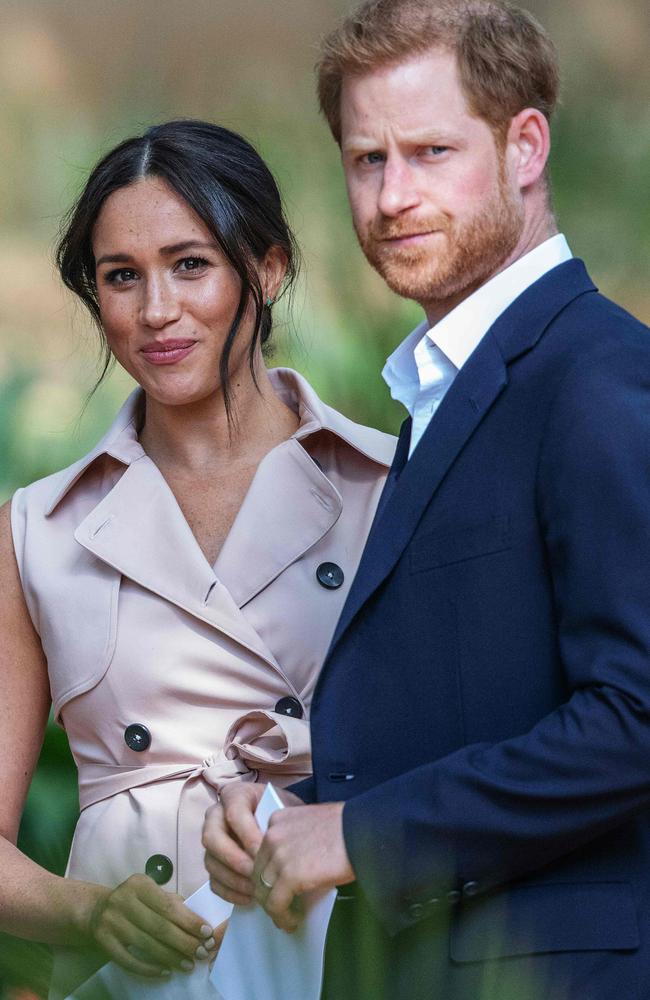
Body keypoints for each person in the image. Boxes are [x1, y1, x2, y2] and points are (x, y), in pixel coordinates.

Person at [202, 2, 650, 998]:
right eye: (367, 160)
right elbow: (470, 702)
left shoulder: (596, 380)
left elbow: (635, 715)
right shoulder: (445, 390)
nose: (392, 196)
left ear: (522, 146)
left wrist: (360, 833)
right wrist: (287, 812)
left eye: (430, 151)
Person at [0, 118, 395, 997]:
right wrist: (88, 912)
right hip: (129, 966)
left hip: (340, 946)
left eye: (191, 264)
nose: (156, 312)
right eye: (120, 278)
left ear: (267, 268)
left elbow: (463, 766)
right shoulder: (36, 529)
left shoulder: (388, 484)